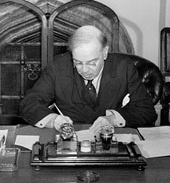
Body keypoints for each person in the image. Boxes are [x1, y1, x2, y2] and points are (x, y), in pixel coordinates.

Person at [19, 25, 157, 134]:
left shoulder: (124, 68)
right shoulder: (58, 66)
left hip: (111, 139)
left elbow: (147, 111)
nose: (85, 70)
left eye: (92, 62)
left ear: (104, 52)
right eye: (78, 62)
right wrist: (53, 120)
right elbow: (29, 104)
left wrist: (113, 119)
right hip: (69, 140)